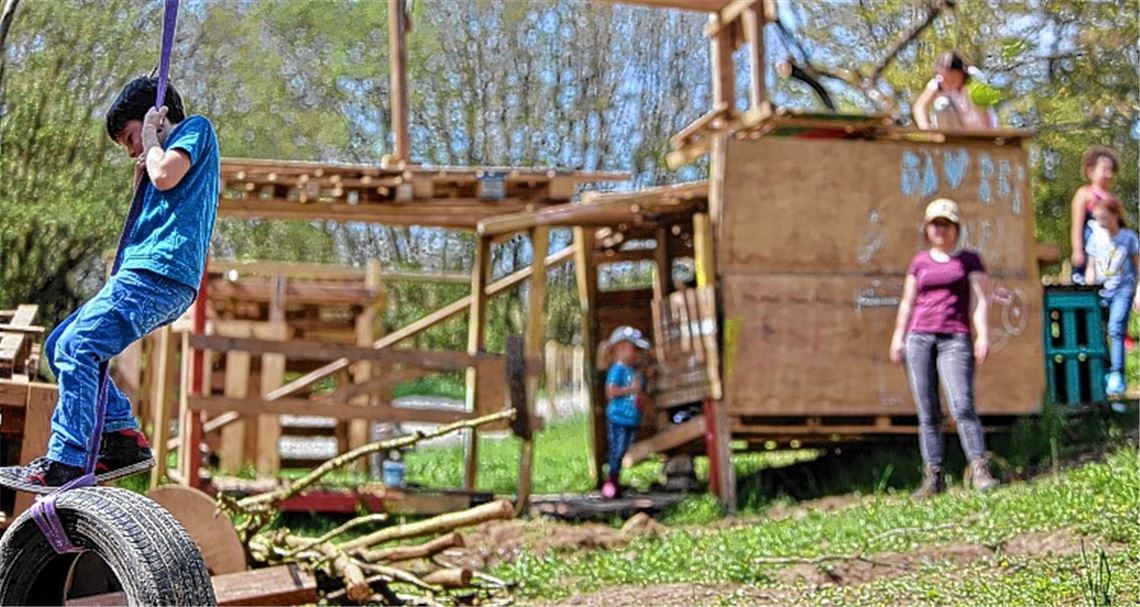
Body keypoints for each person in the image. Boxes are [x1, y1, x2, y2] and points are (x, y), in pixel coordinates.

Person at [0, 77, 220, 493]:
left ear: (158, 117)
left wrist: (153, 141)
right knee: (60, 344)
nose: (133, 149)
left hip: (160, 272)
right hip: (150, 272)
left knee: (76, 348)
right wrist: (144, 171)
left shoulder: (195, 130)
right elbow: (159, 188)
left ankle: (67, 458)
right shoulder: (161, 155)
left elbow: (165, 175)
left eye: (131, 137)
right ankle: (119, 438)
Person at [889, 198, 999, 499]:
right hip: (919, 338)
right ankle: (933, 477)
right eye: (935, 224)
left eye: (946, 224)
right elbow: (907, 302)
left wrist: (982, 335)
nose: (941, 229)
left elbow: (979, 300)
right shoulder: (919, 262)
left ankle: (979, 470)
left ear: (956, 228)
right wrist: (898, 337)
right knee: (927, 411)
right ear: (927, 229)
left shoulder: (969, 260)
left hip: (955, 338)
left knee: (962, 405)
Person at [1083, 197, 1140, 396]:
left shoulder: (1129, 238)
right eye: (1098, 219)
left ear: (1115, 216)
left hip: (1123, 290)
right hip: (1100, 292)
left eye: (1104, 218)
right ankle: (1104, 371)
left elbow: (1138, 265)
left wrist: (1138, 293)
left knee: (1116, 328)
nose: (1101, 223)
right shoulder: (1095, 238)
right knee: (1099, 331)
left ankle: (1117, 374)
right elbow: (1090, 267)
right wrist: (1088, 286)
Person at [600, 326, 650, 499]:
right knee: (617, 450)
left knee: (624, 451)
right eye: (634, 349)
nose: (637, 354)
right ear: (620, 348)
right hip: (618, 417)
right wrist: (631, 389)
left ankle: (616, 480)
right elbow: (611, 391)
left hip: (631, 418)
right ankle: (611, 482)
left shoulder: (631, 371)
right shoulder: (618, 369)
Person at [1070, 147, 1120, 285]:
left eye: (1111, 170)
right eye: (1104, 169)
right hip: (1089, 254)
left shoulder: (1113, 200)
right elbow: (1077, 224)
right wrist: (1077, 250)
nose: (1109, 174)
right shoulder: (1084, 194)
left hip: (1109, 256)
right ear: (1091, 171)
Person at [912, 50, 995, 131]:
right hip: (955, 131)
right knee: (942, 104)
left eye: (952, 80)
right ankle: (947, 140)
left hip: (979, 130)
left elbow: (985, 113)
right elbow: (919, 106)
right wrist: (926, 129)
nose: (948, 85)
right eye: (945, 80)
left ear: (962, 73)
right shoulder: (938, 81)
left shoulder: (974, 78)